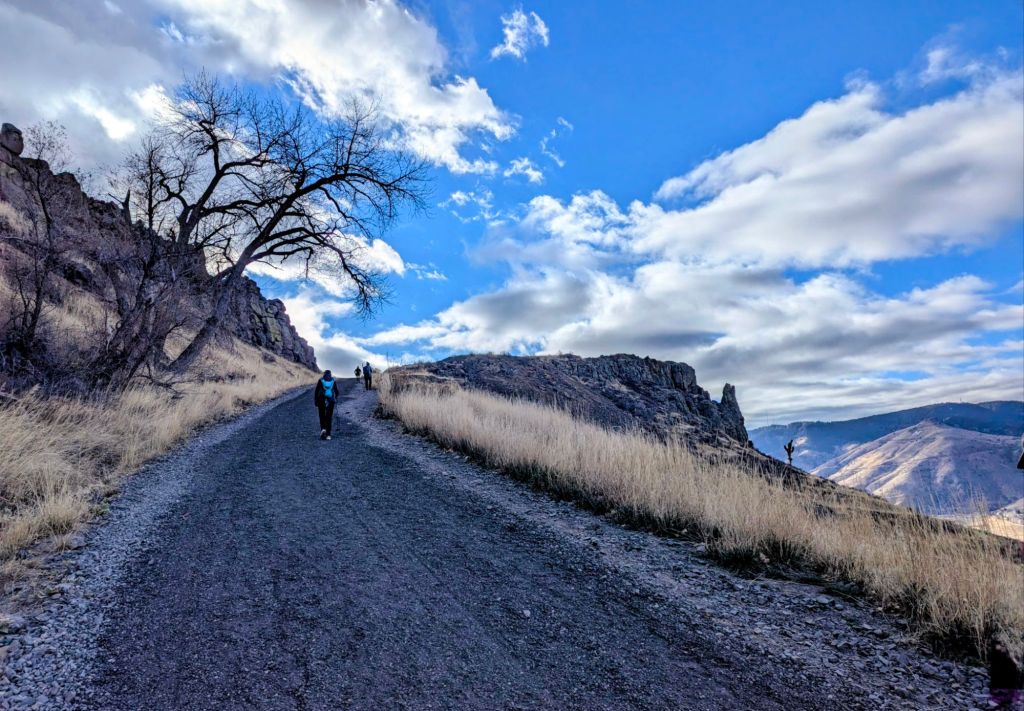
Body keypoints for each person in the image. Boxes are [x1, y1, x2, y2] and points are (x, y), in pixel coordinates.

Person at [314, 370, 338, 440]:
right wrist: (335, 398)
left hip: (321, 400)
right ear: (330, 374)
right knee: (329, 417)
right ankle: (328, 435)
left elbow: (316, 391)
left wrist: (316, 401)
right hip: (331, 401)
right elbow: (337, 392)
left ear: (324, 374)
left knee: (322, 415)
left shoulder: (320, 380)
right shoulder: (333, 381)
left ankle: (323, 429)